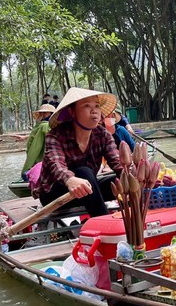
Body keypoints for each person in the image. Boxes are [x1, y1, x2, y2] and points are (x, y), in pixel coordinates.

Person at [33, 87, 124, 217]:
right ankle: (102, 222)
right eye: (87, 106)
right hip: (55, 194)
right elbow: (56, 165)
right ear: (72, 112)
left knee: (122, 181)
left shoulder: (103, 134)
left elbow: (117, 162)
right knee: (84, 172)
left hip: (87, 188)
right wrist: (70, 179)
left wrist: (134, 175)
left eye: (97, 106)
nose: (94, 111)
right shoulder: (55, 136)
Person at [21, 103, 55, 181]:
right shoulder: (42, 125)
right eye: (42, 112)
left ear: (51, 114)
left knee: (25, 174)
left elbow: (47, 142)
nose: (42, 114)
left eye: (45, 112)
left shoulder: (45, 126)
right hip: (40, 159)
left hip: (42, 160)